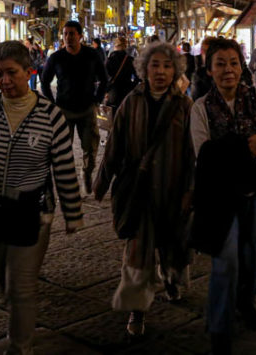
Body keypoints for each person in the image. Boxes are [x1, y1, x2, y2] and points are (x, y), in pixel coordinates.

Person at [0, 41, 82, 354]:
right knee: (2, 279)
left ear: (28, 73)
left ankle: (20, 345)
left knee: (22, 285)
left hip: (33, 210)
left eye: (11, 73)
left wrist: (72, 212)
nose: (4, 81)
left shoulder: (50, 115)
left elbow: (64, 166)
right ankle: (18, 322)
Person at [189, 38, 256, 354]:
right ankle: (219, 325)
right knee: (226, 260)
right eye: (220, 63)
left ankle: (245, 302)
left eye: (233, 62)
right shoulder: (201, 108)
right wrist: (242, 147)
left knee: (253, 258)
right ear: (209, 70)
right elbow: (202, 153)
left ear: (241, 66)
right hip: (222, 199)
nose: (228, 70)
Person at [94, 42, 194, 339]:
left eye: (166, 65)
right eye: (155, 65)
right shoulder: (131, 102)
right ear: (144, 69)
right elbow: (115, 143)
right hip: (139, 191)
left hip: (173, 190)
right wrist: (102, 179)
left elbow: (193, 153)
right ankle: (137, 309)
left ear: (174, 70)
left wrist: (191, 189)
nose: (160, 71)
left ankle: (171, 279)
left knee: (172, 245)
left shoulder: (185, 106)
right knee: (137, 250)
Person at [41, 20, 109, 194]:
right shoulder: (56, 57)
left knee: (91, 150)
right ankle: (67, 183)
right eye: (65, 34)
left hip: (87, 109)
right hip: (64, 111)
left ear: (80, 36)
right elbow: (45, 82)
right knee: (62, 151)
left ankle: (86, 173)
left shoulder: (91, 55)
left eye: (72, 33)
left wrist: (97, 99)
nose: (68, 37)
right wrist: (52, 104)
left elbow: (104, 79)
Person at [104, 36, 138, 116]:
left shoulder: (109, 60)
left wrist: (106, 90)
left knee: (113, 119)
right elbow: (138, 77)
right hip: (126, 94)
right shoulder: (130, 60)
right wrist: (131, 86)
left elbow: (104, 78)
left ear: (115, 46)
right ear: (125, 46)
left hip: (113, 94)